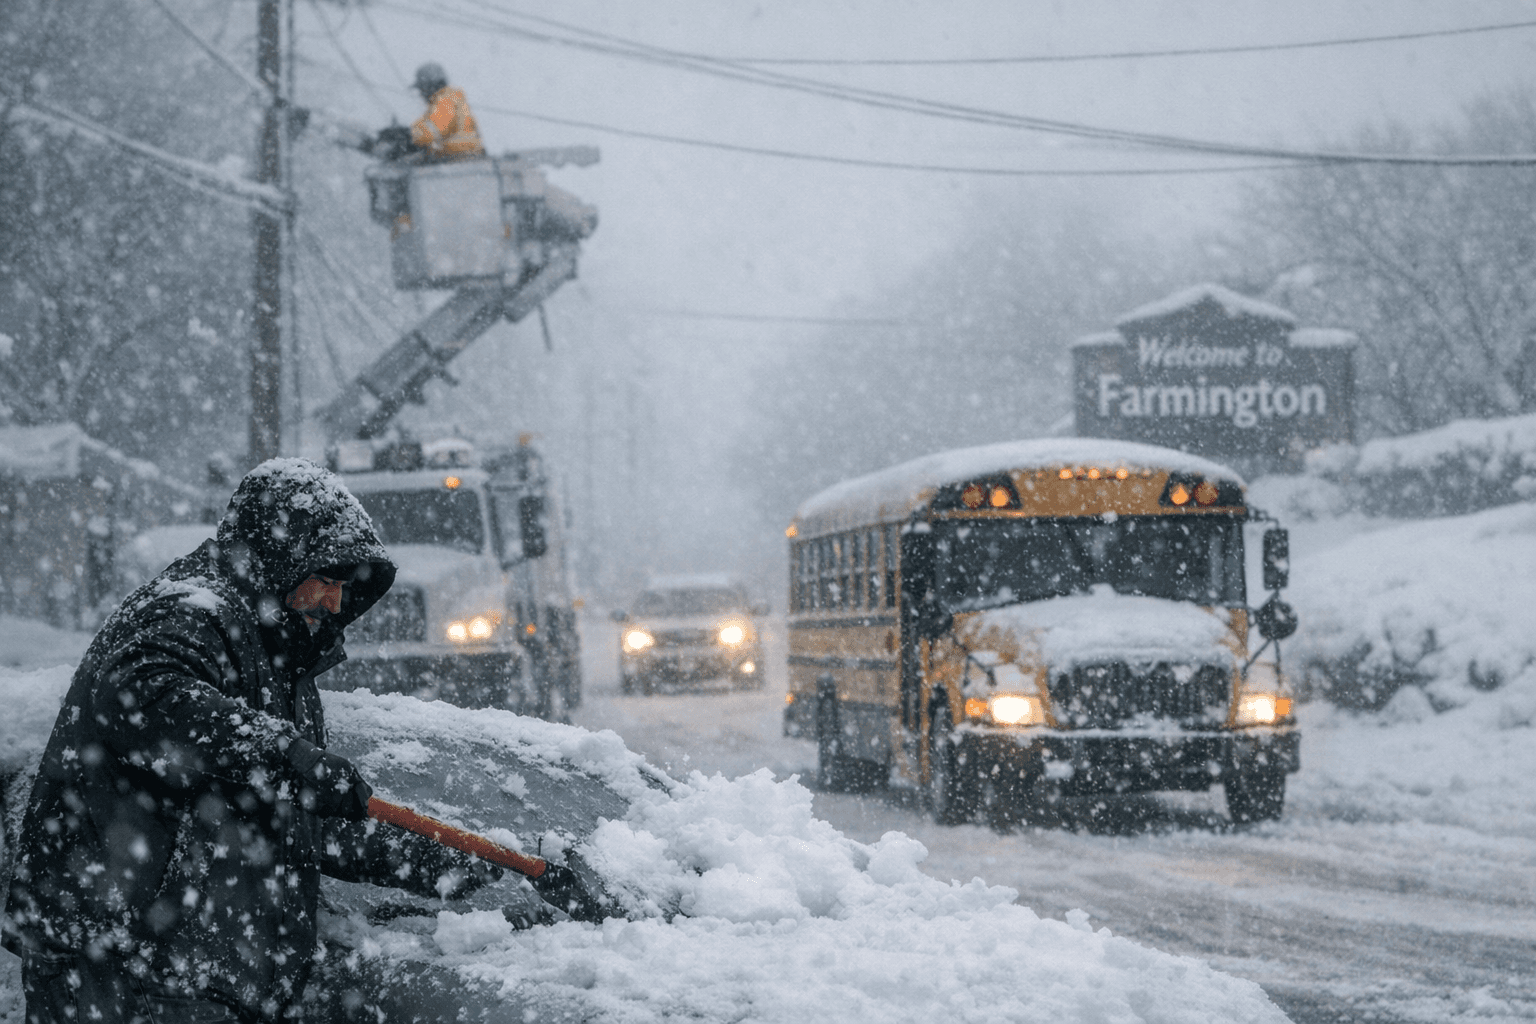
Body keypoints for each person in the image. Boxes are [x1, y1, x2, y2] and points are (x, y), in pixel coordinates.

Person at [2, 458, 503, 1024]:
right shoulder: (190, 610)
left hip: (190, 973)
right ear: (279, 557)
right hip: (128, 968)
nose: (336, 603)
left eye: (343, 588)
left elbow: (295, 819)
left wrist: (425, 860)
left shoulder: (277, 657)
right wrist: (288, 755)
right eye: (327, 580)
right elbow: (143, 692)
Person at [408, 62, 485, 161]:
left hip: (460, 159)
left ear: (430, 86)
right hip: (463, 157)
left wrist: (409, 135)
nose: (420, 94)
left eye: (421, 88)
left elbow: (433, 131)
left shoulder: (446, 100)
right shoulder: (447, 100)